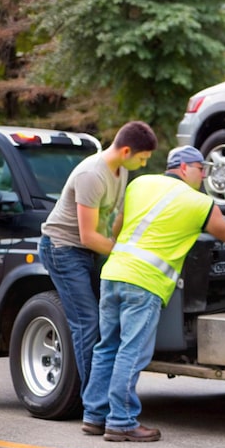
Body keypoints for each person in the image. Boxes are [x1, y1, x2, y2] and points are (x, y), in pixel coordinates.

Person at [82, 146, 225, 442]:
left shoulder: (139, 183)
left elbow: (118, 227)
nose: (204, 176)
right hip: (144, 282)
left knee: (107, 346)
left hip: (113, 274)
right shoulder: (199, 203)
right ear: (184, 168)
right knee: (131, 351)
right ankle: (120, 421)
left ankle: (94, 416)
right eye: (201, 168)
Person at [39, 121, 158, 398]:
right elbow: (88, 236)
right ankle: (94, 401)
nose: (143, 164)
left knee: (107, 319)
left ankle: (100, 395)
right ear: (126, 151)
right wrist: (123, 252)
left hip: (89, 251)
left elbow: (113, 218)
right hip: (63, 249)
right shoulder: (91, 174)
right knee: (87, 321)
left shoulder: (122, 170)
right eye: (142, 158)